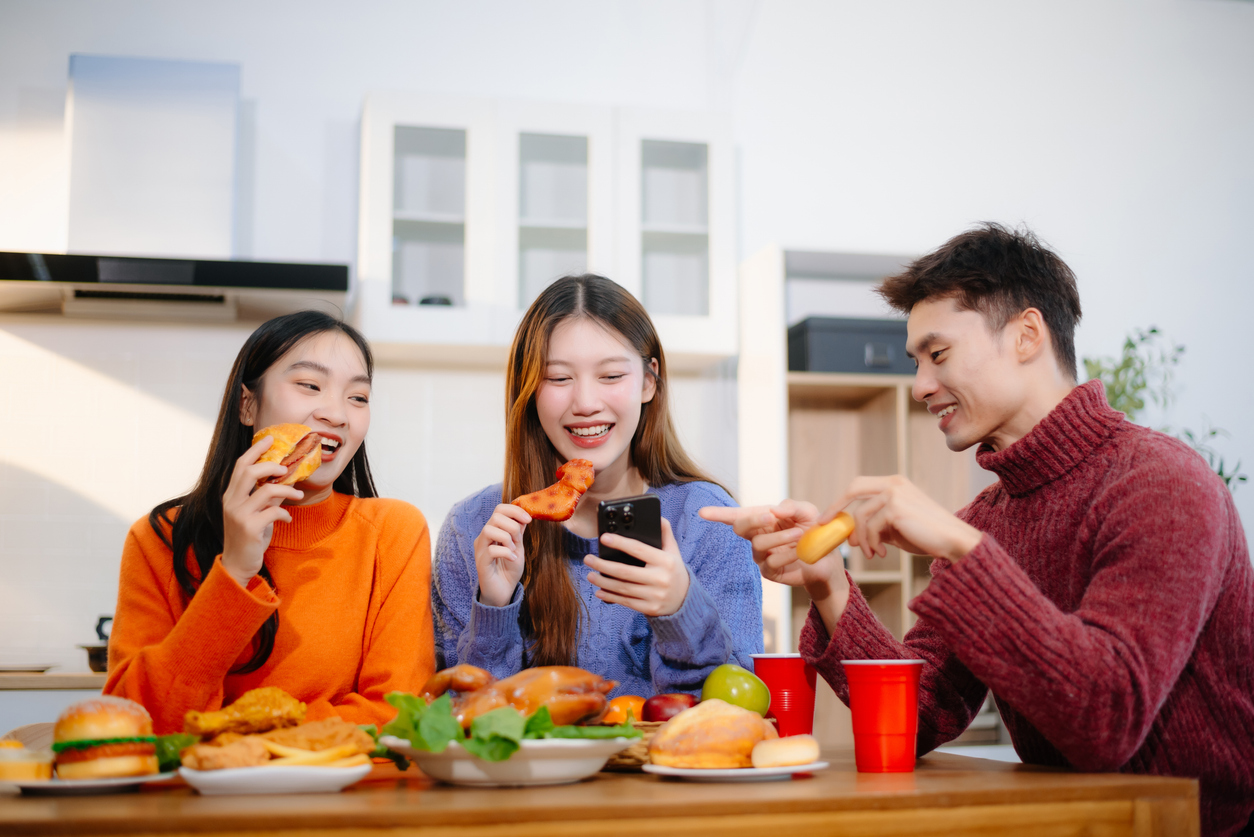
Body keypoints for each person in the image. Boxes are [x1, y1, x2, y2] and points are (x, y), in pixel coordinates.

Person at [703, 224, 1253, 836]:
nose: (920, 387)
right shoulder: (990, 518)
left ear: (1026, 336)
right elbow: (917, 719)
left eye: (938, 355)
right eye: (917, 362)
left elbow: (1107, 720)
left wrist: (962, 548)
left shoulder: (1162, 484)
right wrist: (829, 585)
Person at [106, 311, 435, 733]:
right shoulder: (160, 539)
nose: (336, 414)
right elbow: (133, 724)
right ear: (248, 405)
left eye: (358, 397)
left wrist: (232, 731)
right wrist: (236, 571)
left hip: (344, 792)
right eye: (310, 386)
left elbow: (398, 713)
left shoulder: (393, 532)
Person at [433, 274, 762, 696]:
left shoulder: (709, 519)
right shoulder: (474, 527)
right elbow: (461, 720)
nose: (586, 403)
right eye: (558, 378)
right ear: (529, 389)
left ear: (648, 381)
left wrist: (681, 608)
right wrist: (494, 609)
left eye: (609, 376)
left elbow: (734, 715)